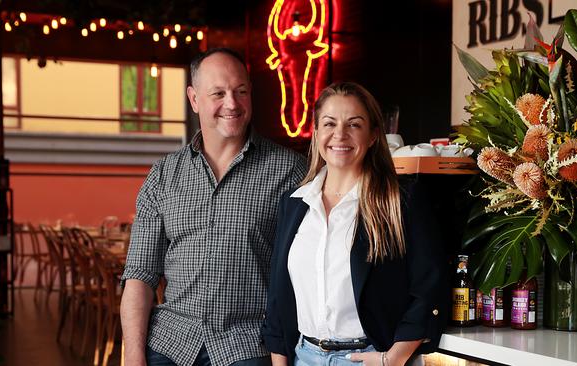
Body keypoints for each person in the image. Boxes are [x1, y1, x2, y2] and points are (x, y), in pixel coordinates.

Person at [120, 48, 307, 366]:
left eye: (241, 92)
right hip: (171, 340)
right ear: (194, 99)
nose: (232, 104)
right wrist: (134, 357)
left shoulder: (292, 172)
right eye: (218, 93)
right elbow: (140, 275)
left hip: (249, 344)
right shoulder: (163, 175)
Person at [262, 82, 446, 366]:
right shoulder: (294, 203)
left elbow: (428, 288)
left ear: (373, 135)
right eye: (329, 123)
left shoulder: (401, 200)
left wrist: (392, 359)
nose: (340, 135)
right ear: (316, 131)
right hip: (304, 357)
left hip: (368, 358)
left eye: (354, 125)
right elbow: (277, 298)